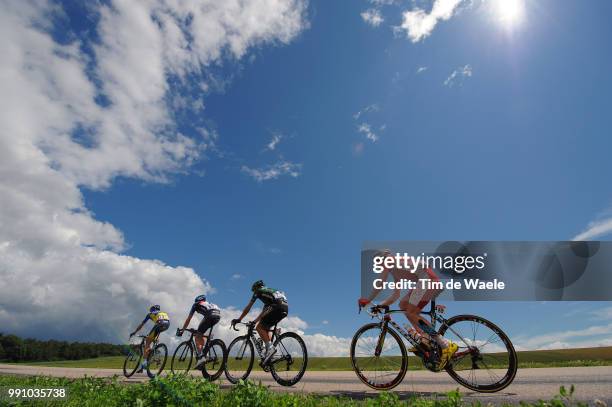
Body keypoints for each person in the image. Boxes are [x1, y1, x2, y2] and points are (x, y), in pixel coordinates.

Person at [358, 250, 457, 370]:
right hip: (427, 280)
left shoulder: (390, 260)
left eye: (377, 261)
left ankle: (445, 344)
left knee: (410, 311)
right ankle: (425, 340)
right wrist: (379, 305)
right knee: (403, 305)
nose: (378, 264)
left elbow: (380, 283)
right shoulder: (395, 271)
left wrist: (367, 300)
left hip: (427, 279)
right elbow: (395, 295)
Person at [232, 280, 288, 363]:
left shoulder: (259, 291)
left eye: (253, 290)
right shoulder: (269, 293)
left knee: (259, 327)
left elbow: (248, 308)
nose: (254, 292)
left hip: (276, 306)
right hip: (285, 308)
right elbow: (264, 313)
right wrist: (255, 321)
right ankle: (271, 355)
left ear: (256, 288)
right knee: (265, 327)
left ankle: (270, 349)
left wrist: (239, 319)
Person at [176, 294, 221, 369]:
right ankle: (205, 354)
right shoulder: (208, 303)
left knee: (197, 336)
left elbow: (188, 319)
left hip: (209, 315)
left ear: (197, 301)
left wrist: (183, 330)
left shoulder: (195, 305)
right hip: (217, 315)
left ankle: (201, 358)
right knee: (200, 333)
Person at [130, 305, 170, 372]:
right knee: (154, 337)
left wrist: (135, 332)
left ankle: (145, 362)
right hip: (167, 324)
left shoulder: (150, 314)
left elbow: (142, 324)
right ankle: (154, 352)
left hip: (159, 324)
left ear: (151, 310)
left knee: (148, 341)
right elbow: (163, 320)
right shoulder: (163, 313)